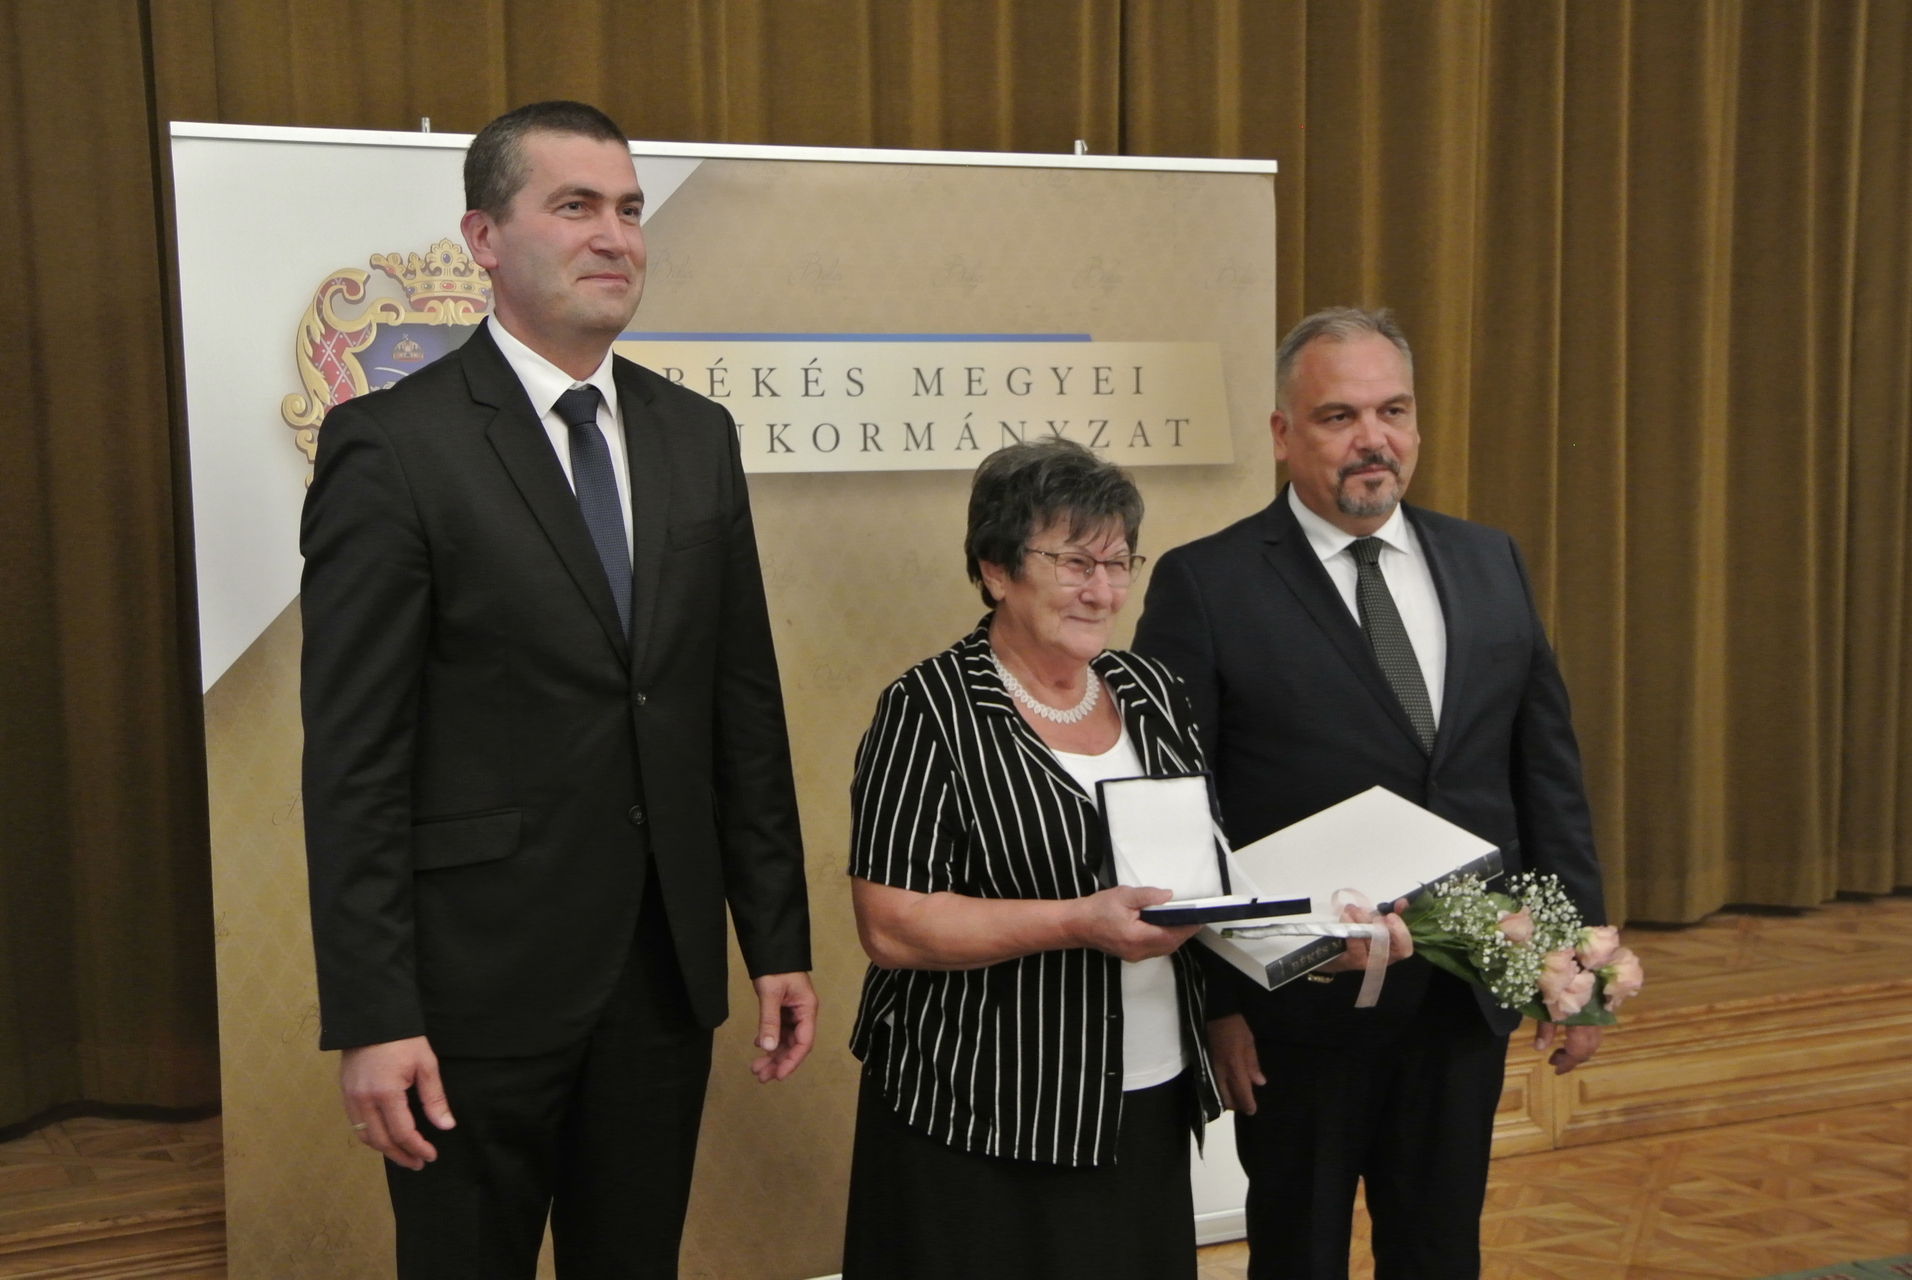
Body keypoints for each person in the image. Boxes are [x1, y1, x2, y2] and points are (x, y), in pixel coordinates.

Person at [299, 100, 816, 1278]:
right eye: (574, 205)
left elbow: (739, 707)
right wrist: (374, 1012)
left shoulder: (695, 436)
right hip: (473, 989)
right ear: (483, 238)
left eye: (628, 209)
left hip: (661, 972)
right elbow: (354, 761)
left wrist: (773, 934)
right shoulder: (394, 445)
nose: (614, 235)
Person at [1133, 307, 1607, 1280]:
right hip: (1297, 1013)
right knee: (1298, 1253)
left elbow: (1546, 773)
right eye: (1338, 416)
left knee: (1441, 1250)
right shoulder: (1206, 584)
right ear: (1282, 433)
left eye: (1393, 410)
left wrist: (1575, 961)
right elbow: (1179, 811)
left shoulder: (1489, 560)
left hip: (1463, 999)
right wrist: (1217, 1003)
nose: (1372, 439)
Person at [840, 438, 1223, 1280]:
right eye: (1075, 562)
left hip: (1148, 1095)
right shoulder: (928, 710)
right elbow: (891, 926)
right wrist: (1077, 922)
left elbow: (1206, 866)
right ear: (996, 569)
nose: (1103, 590)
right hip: (984, 1110)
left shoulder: (1154, 693)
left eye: (1118, 563)